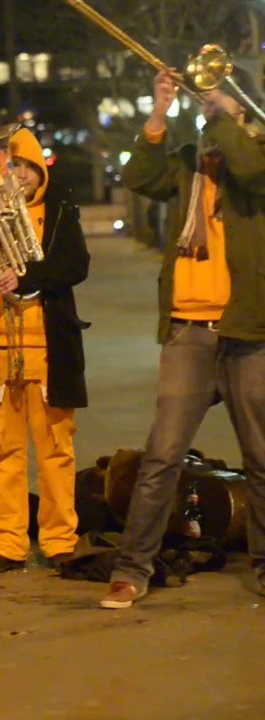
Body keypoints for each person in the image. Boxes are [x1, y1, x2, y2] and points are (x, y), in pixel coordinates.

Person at [102, 67, 265, 608]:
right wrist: (157, 113)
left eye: (219, 99)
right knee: (162, 455)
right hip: (188, 330)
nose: (209, 109)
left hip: (246, 329)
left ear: (242, 106)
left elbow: (251, 169)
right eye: (206, 101)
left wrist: (223, 117)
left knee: (260, 457)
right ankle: (132, 567)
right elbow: (139, 176)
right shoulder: (189, 162)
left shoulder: (254, 156)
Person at [0, 128, 90, 574]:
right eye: (10, 166)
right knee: (3, 453)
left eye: (24, 167)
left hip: (50, 349)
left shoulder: (60, 210)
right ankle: (7, 544)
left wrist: (28, 278)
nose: (17, 176)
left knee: (55, 453)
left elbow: (76, 265)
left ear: (39, 170)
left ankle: (59, 539)